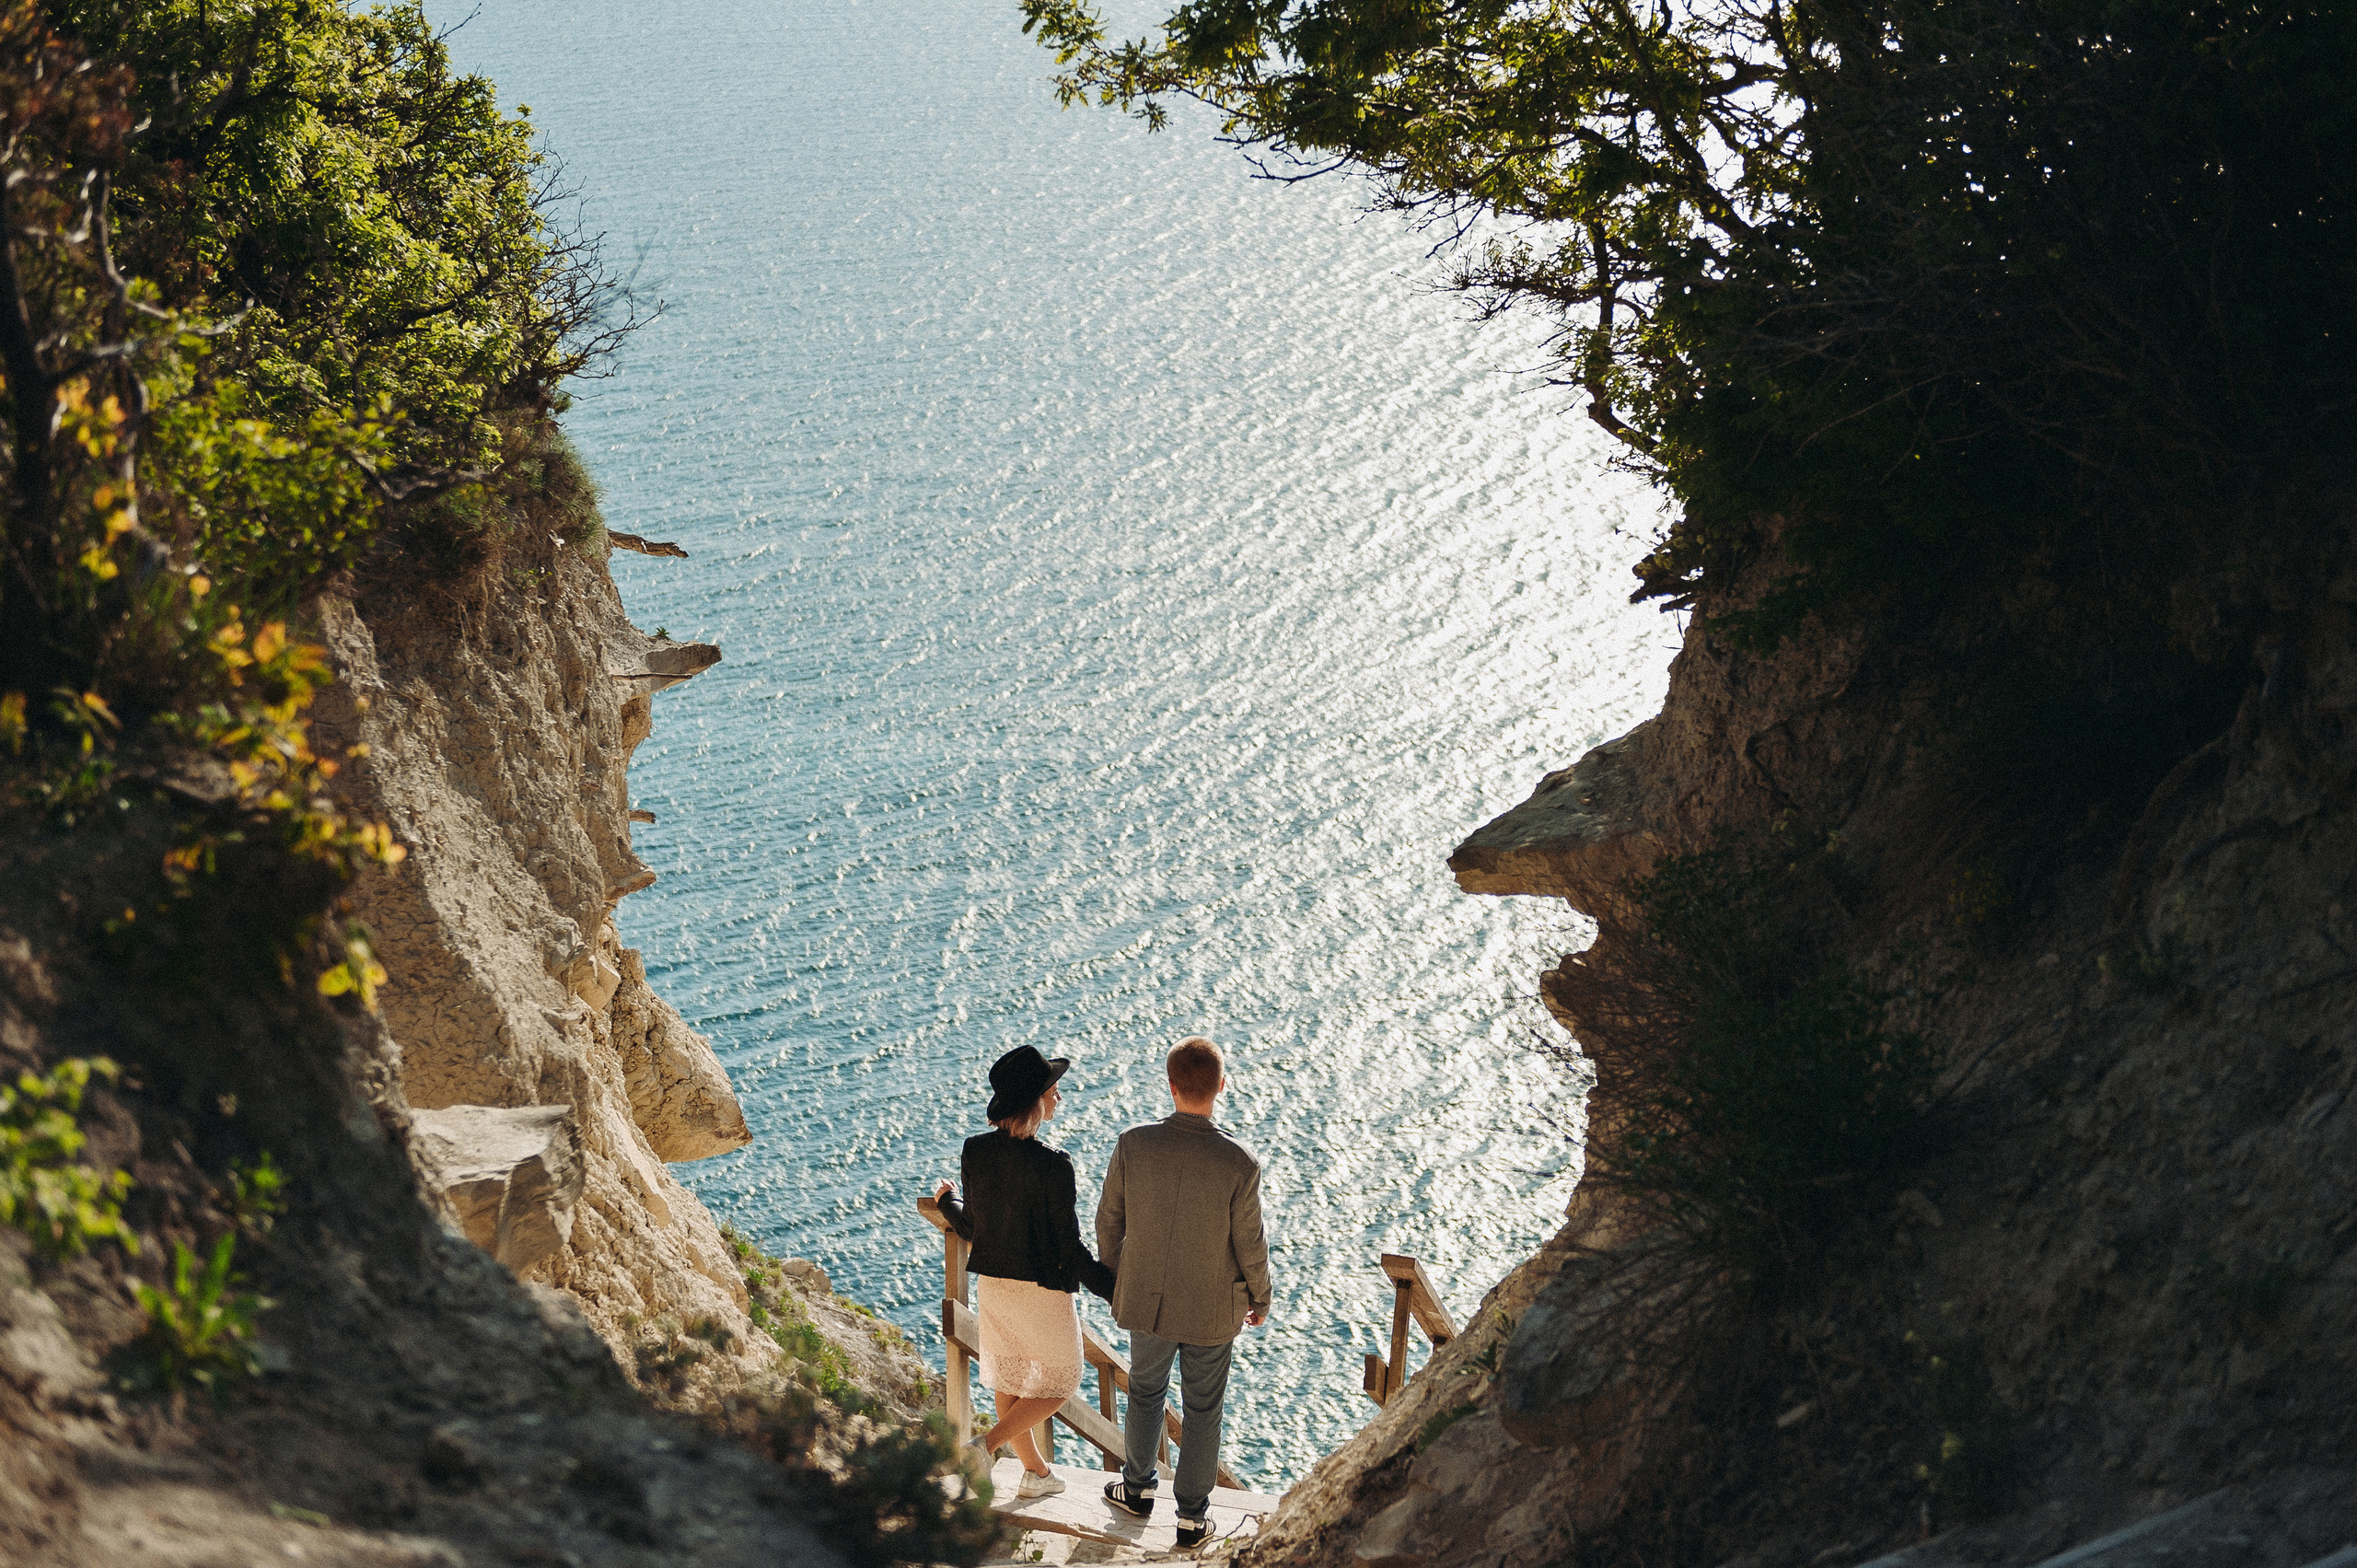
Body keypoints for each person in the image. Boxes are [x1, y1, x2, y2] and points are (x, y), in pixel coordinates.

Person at [1096, 1036, 1271, 1549]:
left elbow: (1109, 1221)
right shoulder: (1239, 1161)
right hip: (1213, 1309)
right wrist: (1260, 1296)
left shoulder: (1133, 1143)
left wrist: (1116, 1275)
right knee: (1202, 1411)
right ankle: (1193, 1519)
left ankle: (1137, 1490)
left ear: (1170, 1085)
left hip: (1146, 1300)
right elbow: (1250, 1243)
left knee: (1145, 1394)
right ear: (1222, 1086)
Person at [936, 1045, 1116, 1501]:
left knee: (1011, 1378)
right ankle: (986, 1446)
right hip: (1041, 1291)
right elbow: (1069, 1248)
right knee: (1065, 1379)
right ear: (1035, 1102)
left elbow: (974, 1227)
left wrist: (946, 1203)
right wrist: (1114, 1288)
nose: (1059, 1099)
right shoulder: (1055, 1164)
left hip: (995, 1285)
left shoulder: (975, 1150)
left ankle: (1035, 1474)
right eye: (1054, 1092)